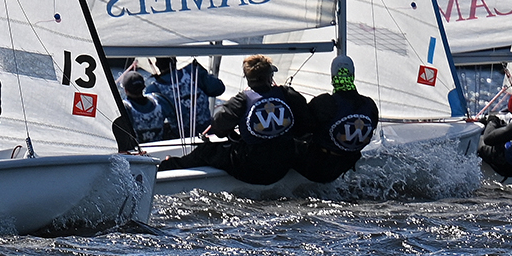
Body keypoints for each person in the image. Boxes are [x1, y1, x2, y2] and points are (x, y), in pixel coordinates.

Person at [155, 55, 303, 185]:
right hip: (284, 163)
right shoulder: (287, 94)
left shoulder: (240, 101)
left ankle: (169, 166)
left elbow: (219, 129)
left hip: (252, 168)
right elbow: (307, 123)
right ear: (268, 76)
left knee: (207, 151)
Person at [291, 55, 381, 183]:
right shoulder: (369, 105)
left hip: (317, 168)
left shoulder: (324, 103)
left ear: (333, 77)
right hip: (344, 165)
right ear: (353, 75)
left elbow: (300, 129)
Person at [120, 64, 171, 143]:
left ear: (126, 90)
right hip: (161, 148)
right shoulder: (158, 100)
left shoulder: (125, 108)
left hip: (139, 153)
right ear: (144, 87)